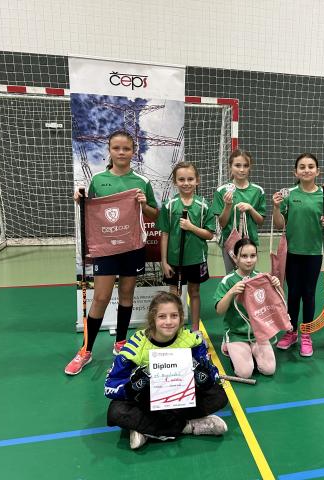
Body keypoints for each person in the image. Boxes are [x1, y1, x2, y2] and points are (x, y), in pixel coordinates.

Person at [65, 130, 158, 376]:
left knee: (126, 294)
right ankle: (86, 350)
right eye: (116, 148)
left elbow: (154, 215)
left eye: (126, 148)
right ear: (109, 150)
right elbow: (91, 210)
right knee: (101, 298)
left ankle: (121, 342)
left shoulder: (142, 181)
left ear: (134, 151)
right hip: (106, 249)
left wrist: (143, 204)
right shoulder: (98, 180)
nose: (121, 152)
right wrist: (80, 200)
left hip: (132, 247)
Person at [105, 292, 228, 450]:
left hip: (181, 400)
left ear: (181, 317)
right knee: (116, 412)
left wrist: (205, 379)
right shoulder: (136, 346)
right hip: (148, 403)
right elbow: (110, 386)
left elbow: (213, 376)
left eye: (174, 316)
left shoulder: (192, 340)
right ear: (153, 318)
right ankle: (189, 426)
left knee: (219, 396)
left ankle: (148, 430)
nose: (168, 322)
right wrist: (131, 386)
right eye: (162, 316)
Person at [272, 153, 324, 357]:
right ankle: (291, 332)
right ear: (296, 172)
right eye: (302, 167)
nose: (307, 170)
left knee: (308, 293)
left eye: (311, 166)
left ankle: (306, 335)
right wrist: (276, 207)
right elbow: (279, 224)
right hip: (292, 253)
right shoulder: (289, 194)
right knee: (293, 293)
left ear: (318, 171)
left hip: (313, 254)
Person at [159, 161, 215, 332]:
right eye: (181, 179)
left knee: (194, 292)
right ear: (175, 182)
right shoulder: (169, 205)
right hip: (174, 259)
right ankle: (175, 329)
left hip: (196, 258)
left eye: (190, 179)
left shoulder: (204, 205)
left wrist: (191, 227)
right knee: (174, 294)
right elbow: (165, 234)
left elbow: (209, 234)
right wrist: (164, 261)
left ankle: (196, 329)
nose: (186, 183)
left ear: (197, 180)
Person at [214, 238, 278, 378]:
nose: (249, 260)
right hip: (236, 333)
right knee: (245, 373)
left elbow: (277, 304)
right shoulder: (228, 281)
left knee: (269, 370)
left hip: (258, 333)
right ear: (235, 258)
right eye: (244, 256)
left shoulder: (261, 278)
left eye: (252, 256)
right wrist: (231, 292)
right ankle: (229, 344)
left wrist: (276, 286)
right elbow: (219, 310)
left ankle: (251, 353)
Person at [211, 149, 266, 274]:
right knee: (232, 277)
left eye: (245, 166)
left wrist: (251, 208)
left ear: (250, 167)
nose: (242, 170)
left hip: (250, 242)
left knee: (248, 278)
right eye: (237, 165)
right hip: (229, 242)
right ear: (230, 166)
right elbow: (222, 223)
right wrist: (228, 205)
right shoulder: (221, 191)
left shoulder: (258, 191)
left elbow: (261, 222)